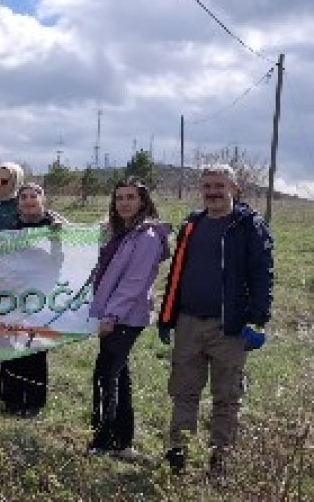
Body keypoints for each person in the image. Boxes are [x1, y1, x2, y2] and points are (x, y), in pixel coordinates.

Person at [157, 165, 273, 475]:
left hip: (230, 328)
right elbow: (176, 273)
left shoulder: (249, 226)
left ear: (234, 188)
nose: (213, 192)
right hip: (188, 323)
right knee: (183, 393)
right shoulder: (192, 224)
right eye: (207, 186)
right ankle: (177, 457)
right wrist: (167, 317)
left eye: (219, 185)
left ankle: (220, 463)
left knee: (226, 398)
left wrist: (258, 321)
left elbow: (263, 275)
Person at [87, 179, 169, 458]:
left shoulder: (147, 237)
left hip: (126, 316)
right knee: (118, 375)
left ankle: (103, 441)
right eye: (119, 197)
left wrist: (111, 315)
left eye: (130, 197)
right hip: (116, 314)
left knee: (105, 375)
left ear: (142, 201)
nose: (124, 203)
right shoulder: (122, 232)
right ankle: (122, 442)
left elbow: (135, 282)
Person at [0, 182, 63, 418]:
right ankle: (11, 400)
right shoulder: (11, 228)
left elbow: (63, 257)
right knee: (10, 345)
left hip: (41, 296)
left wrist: (59, 234)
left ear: (42, 200)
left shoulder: (55, 225)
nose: (29, 200)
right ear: (18, 203)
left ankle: (33, 402)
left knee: (35, 348)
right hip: (12, 296)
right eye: (24, 197)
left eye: (34, 196)